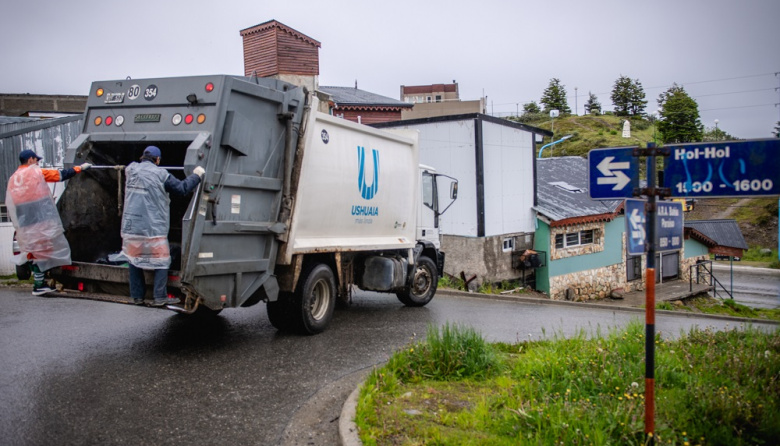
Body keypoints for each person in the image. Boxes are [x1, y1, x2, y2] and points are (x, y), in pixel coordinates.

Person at [121, 146, 204, 306]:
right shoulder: (161, 174)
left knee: (134, 258)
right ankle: (160, 297)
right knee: (161, 260)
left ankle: (137, 296)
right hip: (153, 227)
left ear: (142, 157)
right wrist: (197, 175)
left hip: (132, 226)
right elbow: (182, 189)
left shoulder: (131, 169)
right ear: (157, 160)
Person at [6, 149, 91, 295]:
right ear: (31, 159)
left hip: (24, 221)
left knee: (33, 251)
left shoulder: (13, 178)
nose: (38, 163)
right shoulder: (35, 172)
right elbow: (60, 175)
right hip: (38, 220)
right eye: (36, 160)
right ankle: (39, 285)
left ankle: (40, 282)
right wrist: (80, 168)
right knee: (42, 251)